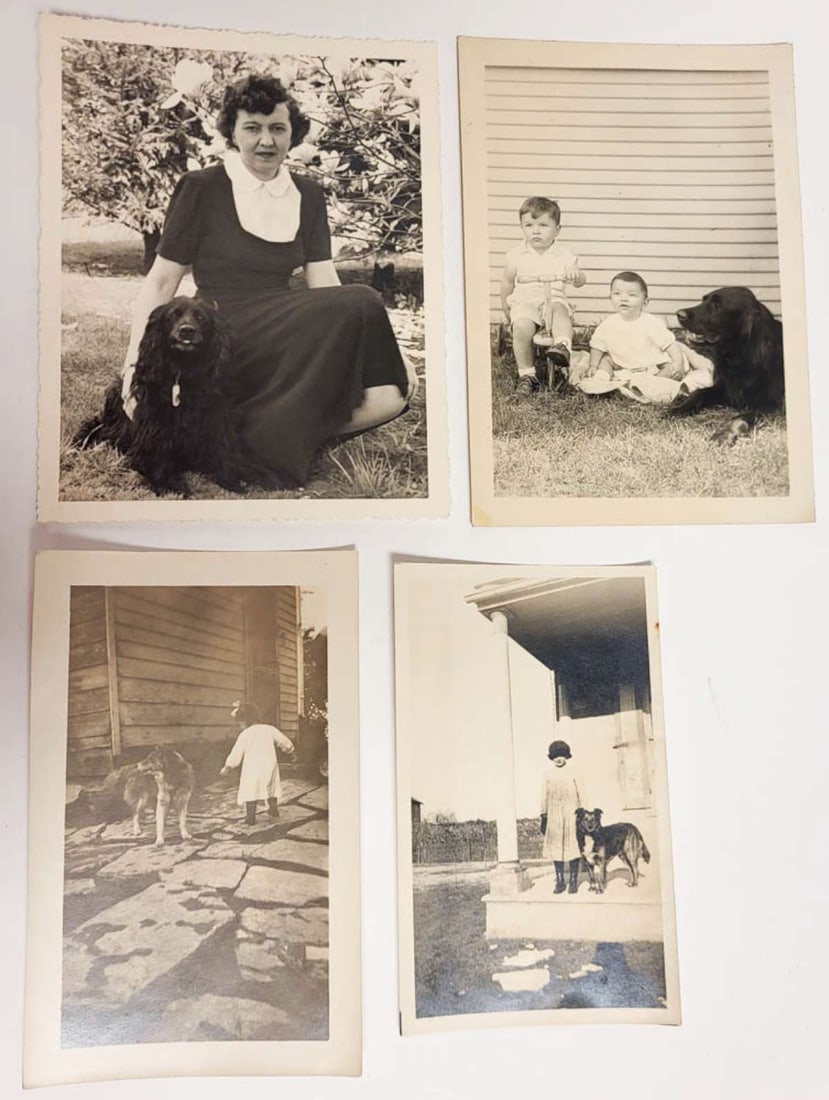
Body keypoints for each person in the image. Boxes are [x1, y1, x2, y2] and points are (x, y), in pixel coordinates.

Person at [120, 73, 417, 487]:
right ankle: (266, 438)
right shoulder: (202, 187)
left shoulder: (309, 195)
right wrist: (133, 364)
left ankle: (268, 438)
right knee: (364, 297)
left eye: (278, 128)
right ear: (232, 133)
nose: (266, 141)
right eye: (253, 128)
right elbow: (162, 280)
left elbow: (325, 283)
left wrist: (384, 348)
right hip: (219, 328)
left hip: (285, 324)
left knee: (391, 395)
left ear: (292, 134)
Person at [577, 271, 714, 404]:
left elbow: (671, 345)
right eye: (617, 293)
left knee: (668, 368)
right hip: (625, 364)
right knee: (606, 359)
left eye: (632, 295)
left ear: (645, 302)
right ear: (610, 298)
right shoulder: (608, 324)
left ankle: (655, 384)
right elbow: (597, 346)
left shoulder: (651, 323)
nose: (623, 298)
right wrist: (593, 365)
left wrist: (677, 363)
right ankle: (601, 379)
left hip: (654, 364)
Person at [500, 196, 586, 397]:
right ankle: (527, 375)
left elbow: (581, 281)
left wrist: (576, 273)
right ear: (522, 227)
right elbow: (507, 282)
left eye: (543, 225)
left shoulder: (564, 255)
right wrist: (505, 304)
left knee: (559, 310)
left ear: (557, 229)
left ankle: (562, 346)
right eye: (528, 225)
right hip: (525, 301)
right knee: (521, 325)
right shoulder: (516, 255)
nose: (535, 230)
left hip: (553, 299)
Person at [220, 700, 296, 824]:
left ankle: (250, 817)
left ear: (245, 721)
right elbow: (283, 741)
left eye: (239, 723)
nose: (239, 726)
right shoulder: (269, 729)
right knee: (271, 787)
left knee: (251, 790)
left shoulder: (245, 734)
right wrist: (290, 751)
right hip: (269, 766)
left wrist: (228, 766)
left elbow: (236, 752)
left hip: (252, 768)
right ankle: (273, 809)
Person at [540, 739, 585, 895]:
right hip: (554, 817)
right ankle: (560, 881)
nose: (559, 759)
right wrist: (544, 815)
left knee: (574, 846)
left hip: (571, 815)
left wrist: (582, 813)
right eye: (555, 756)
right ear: (552, 757)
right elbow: (544, 796)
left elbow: (582, 793)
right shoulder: (548, 775)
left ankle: (573, 880)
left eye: (562, 755)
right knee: (556, 847)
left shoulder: (574, 772)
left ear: (567, 756)